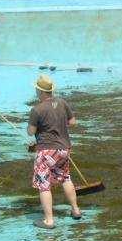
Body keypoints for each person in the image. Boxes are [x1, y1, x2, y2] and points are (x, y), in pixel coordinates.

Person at [28, 74, 81, 229]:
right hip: (64, 148)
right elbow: (72, 122)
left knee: (44, 184)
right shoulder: (62, 103)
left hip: (46, 151)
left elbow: (31, 132)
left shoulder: (37, 109)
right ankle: (76, 210)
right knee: (65, 178)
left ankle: (49, 220)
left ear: (40, 91)